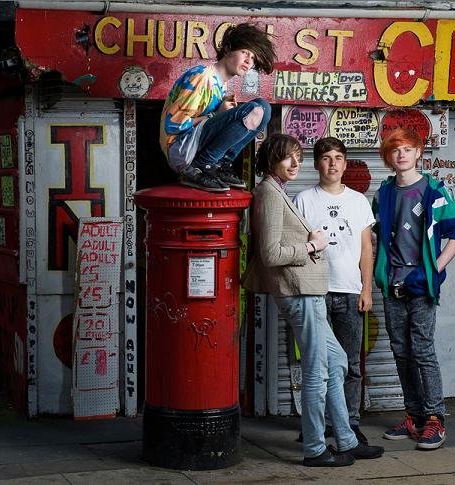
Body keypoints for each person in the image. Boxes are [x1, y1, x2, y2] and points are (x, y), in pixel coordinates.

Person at [241, 133, 384, 467]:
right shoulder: (270, 193)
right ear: (271, 159)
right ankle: (316, 449)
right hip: (300, 293)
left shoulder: (277, 190)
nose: (295, 163)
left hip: (310, 291)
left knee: (337, 362)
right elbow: (271, 253)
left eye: (298, 157)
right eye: (287, 157)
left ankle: (346, 439)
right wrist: (312, 246)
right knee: (317, 371)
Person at [373, 128, 455, 450]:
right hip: (393, 285)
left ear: (418, 153)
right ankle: (414, 416)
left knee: (423, 350)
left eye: (407, 149)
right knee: (401, 352)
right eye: (395, 150)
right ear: (388, 157)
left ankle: (435, 418)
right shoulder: (383, 194)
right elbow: (377, 236)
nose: (401, 154)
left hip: (422, 285)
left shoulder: (433, 190)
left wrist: (434, 269)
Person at [294, 137, 375, 445]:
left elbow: (366, 249)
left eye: (338, 158)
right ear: (317, 163)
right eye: (326, 158)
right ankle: (318, 426)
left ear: (345, 163)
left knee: (351, 364)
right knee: (316, 363)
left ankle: (350, 423)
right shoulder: (303, 199)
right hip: (314, 292)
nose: (332, 164)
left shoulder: (359, 201)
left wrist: (366, 290)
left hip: (350, 291)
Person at [159, 23, 276, 191]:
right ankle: (204, 164)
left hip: (195, 144)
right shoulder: (202, 76)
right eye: (245, 52)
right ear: (228, 49)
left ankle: (221, 163)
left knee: (264, 108)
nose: (249, 61)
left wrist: (221, 113)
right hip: (181, 149)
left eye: (253, 58)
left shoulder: (221, 84)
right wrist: (215, 115)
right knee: (254, 110)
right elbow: (173, 125)